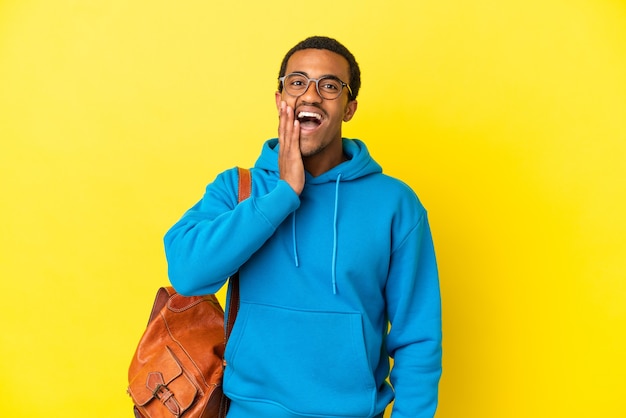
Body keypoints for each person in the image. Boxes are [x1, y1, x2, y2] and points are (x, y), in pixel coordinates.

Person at [164, 35, 442, 418]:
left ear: (349, 108)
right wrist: (282, 195)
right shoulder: (238, 188)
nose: (310, 95)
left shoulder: (395, 203)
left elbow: (419, 338)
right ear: (280, 99)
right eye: (297, 82)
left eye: (329, 86)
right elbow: (187, 273)